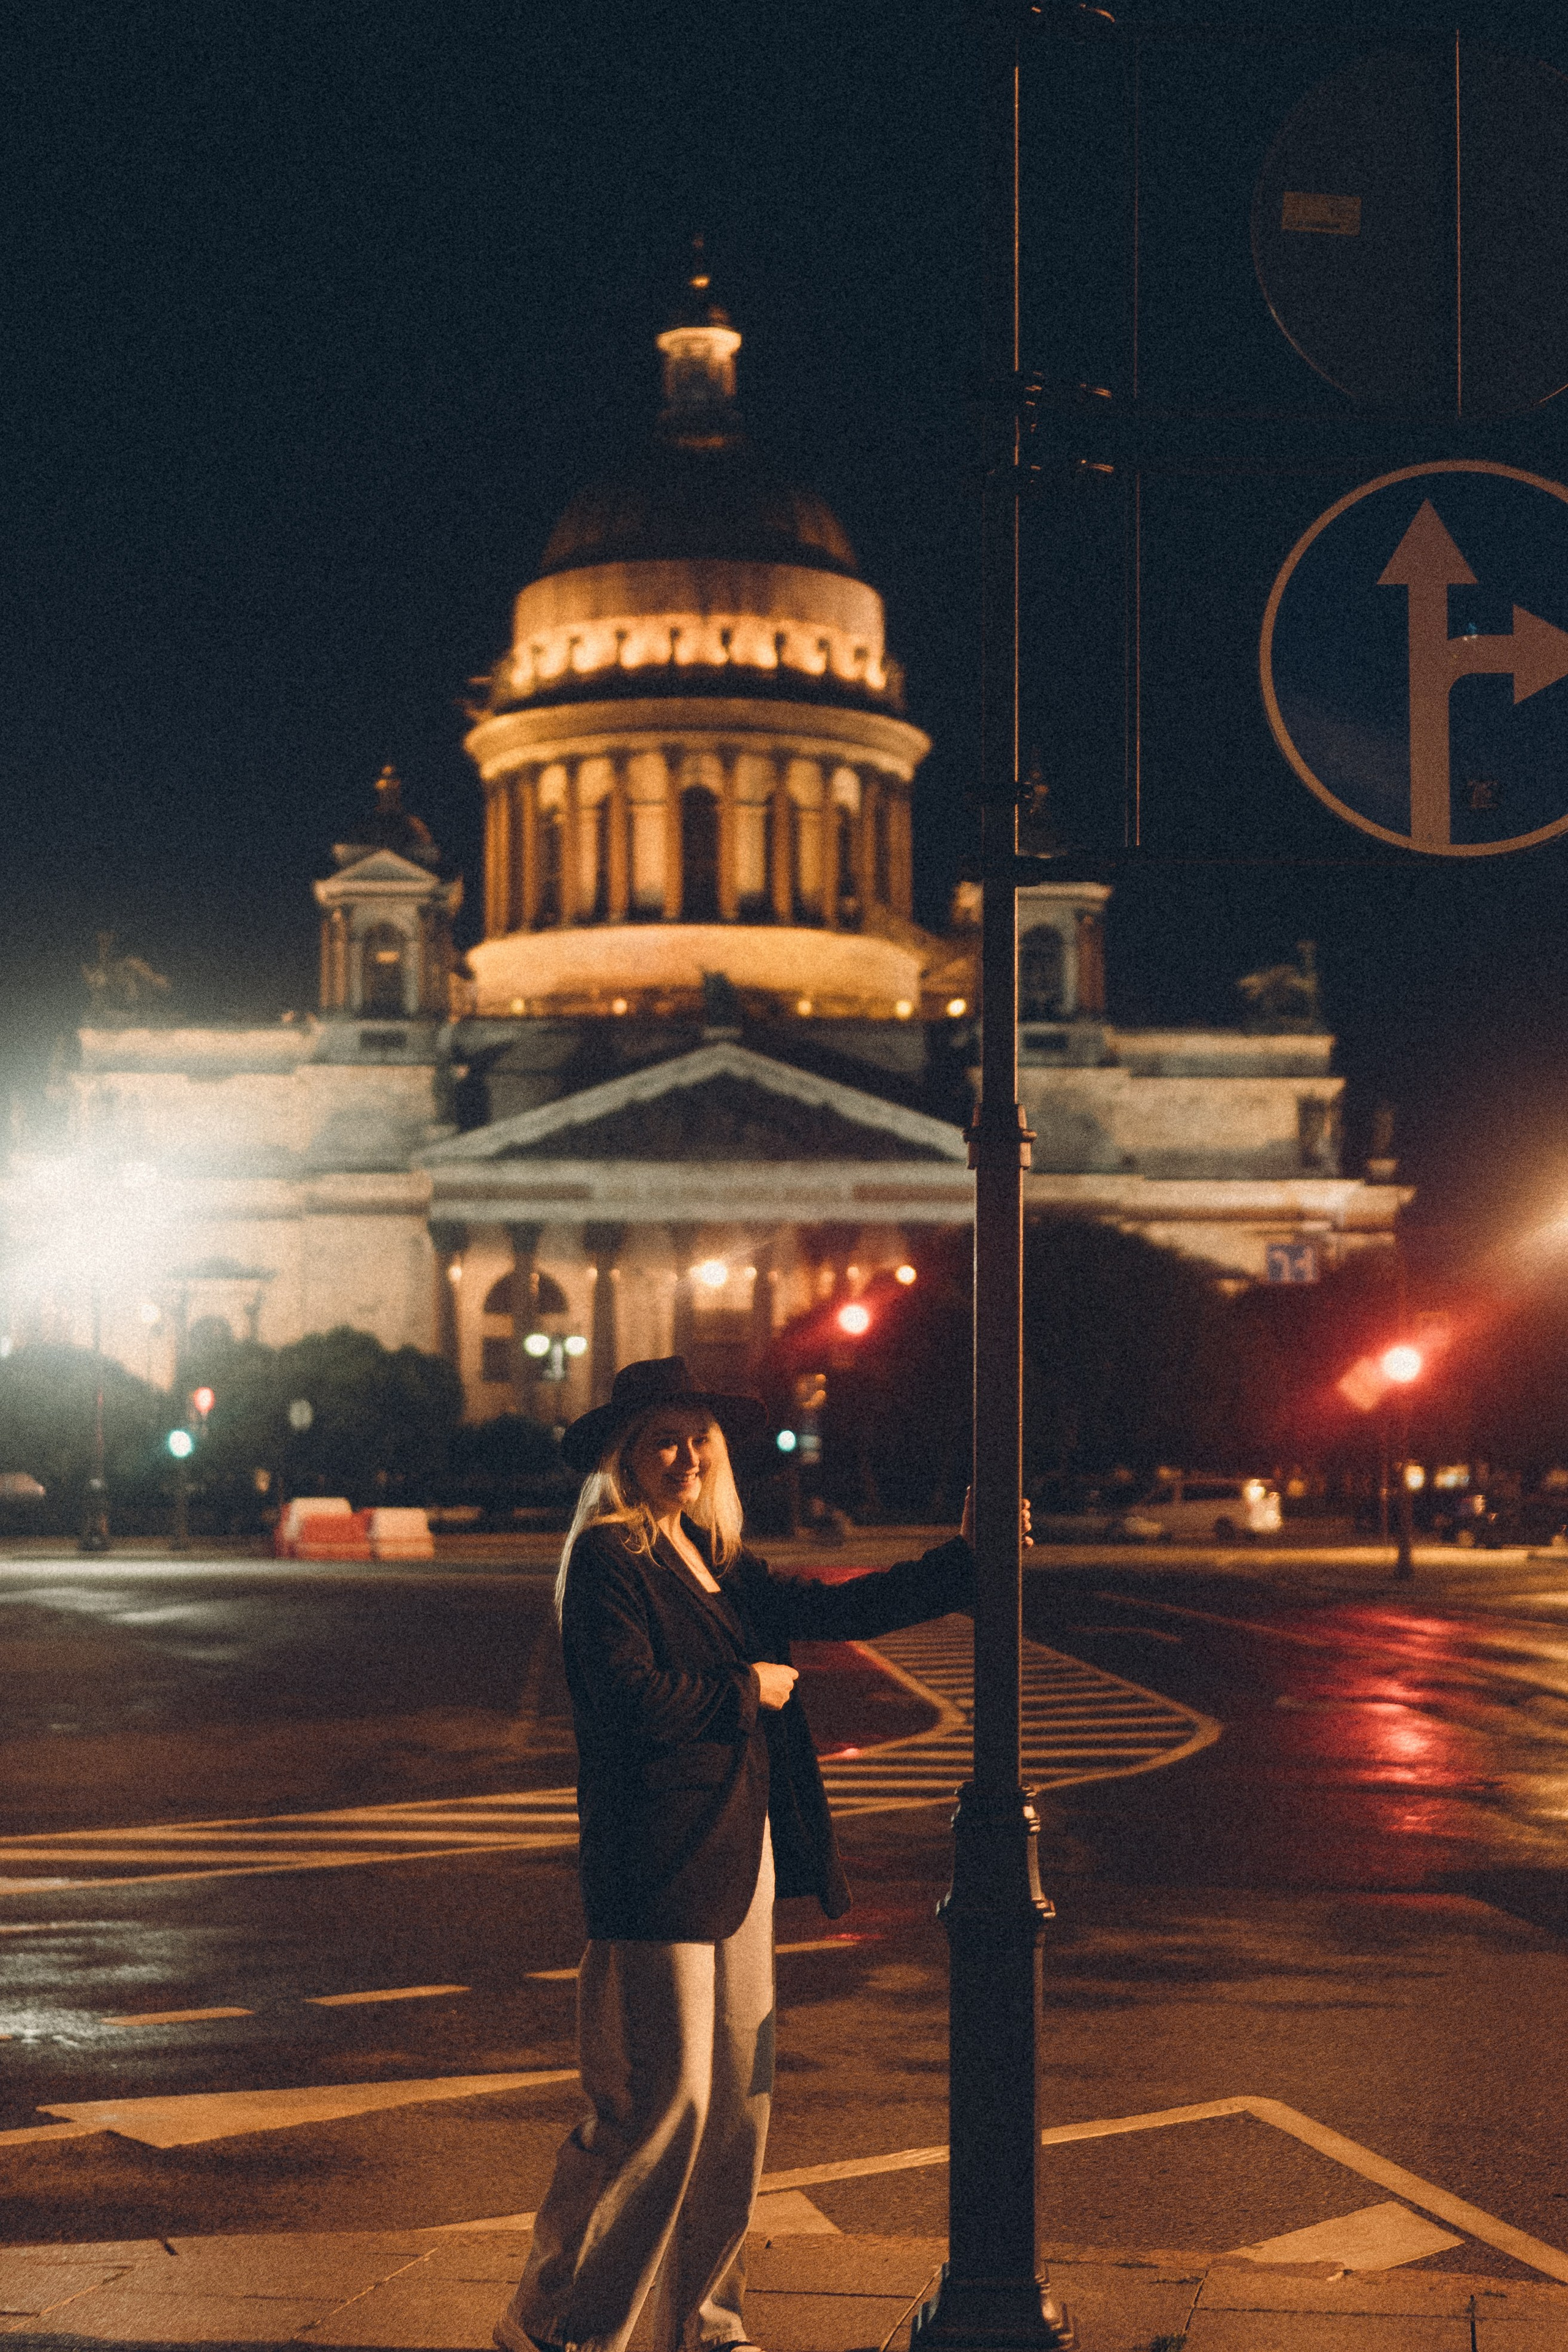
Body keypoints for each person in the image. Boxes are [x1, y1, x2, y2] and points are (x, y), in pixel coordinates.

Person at [496, 1355, 976, 2352]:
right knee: (659, 2105)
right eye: (662, 1439)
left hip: (738, 1849)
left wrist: (963, 1564)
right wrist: (741, 1691)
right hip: (655, 1861)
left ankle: (709, 2326)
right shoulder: (608, 1559)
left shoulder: (711, 1554)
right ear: (625, 1455)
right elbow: (620, 1703)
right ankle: (561, 2325)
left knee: (739, 2108)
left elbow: (835, 1607)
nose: (684, 1455)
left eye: (697, 1439)